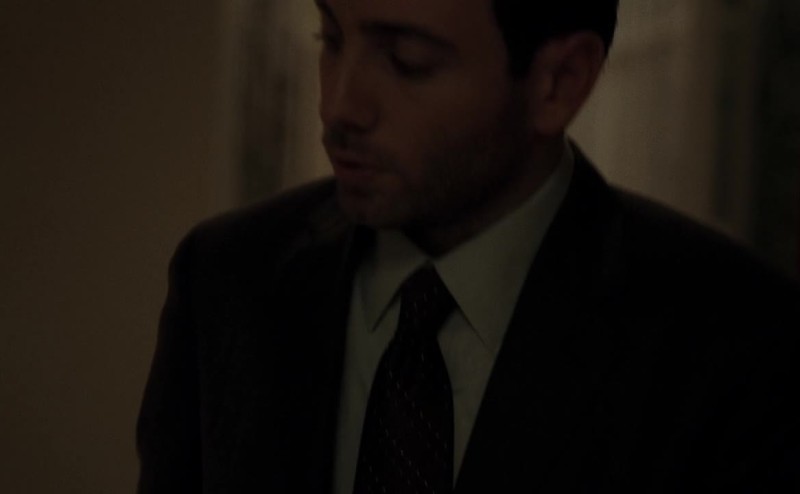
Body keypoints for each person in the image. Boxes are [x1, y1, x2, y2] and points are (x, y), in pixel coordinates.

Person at [137, 0, 800, 492]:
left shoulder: (735, 344)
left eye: (407, 62)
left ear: (560, 82)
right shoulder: (226, 279)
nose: (339, 107)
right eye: (330, 39)